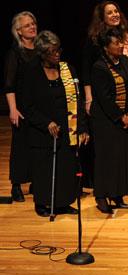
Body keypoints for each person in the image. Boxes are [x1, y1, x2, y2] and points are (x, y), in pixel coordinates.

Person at [19, 31, 89, 217]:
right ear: (42, 53)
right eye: (52, 52)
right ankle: (43, 203)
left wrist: (82, 127)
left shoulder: (68, 69)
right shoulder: (31, 71)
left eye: (58, 50)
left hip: (67, 128)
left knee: (66, 167)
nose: (57, 54)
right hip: (43, 132)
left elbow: (78, 101)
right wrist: (46, 122)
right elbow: (27, 105)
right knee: (44, 168)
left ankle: (63, 203)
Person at [81, 1, 128, 188]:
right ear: (102, 18)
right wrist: (89, 98)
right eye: (110, 12)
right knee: (102, 144)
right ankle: (96, 183)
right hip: (101, 95)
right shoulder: (94, 39)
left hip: (121, 91)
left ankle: (118, 187)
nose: (114, 15)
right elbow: (86, 70)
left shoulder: (125, 37)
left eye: (116, 11)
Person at [90, 27, 128, 214]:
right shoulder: (99, 67)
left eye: (121, 42)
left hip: (126, 116)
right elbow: (104, 98)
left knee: (122, 158)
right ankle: (102, 196)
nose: (120, 45)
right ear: (106, 47)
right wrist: (121, 117)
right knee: (107, 159)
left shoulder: (125, 61)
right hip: (106, 120)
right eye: (116, 43)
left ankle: (117, 195)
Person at [4, 11, 38, 202]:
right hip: (22, 108)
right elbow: (9, 84)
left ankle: (36, 181)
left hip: (38, 107)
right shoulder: (15, 54)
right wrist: (13, 108)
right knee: (21, 147)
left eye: (33, 24)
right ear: (18, 31)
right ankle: (16, 186)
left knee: (38, 146)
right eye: (27, 25)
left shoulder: (41, 50)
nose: (32, 27)